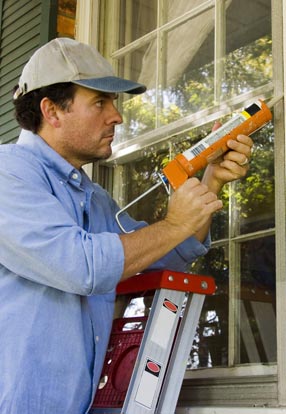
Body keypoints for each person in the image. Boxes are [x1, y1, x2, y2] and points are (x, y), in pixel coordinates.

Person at [0, 37, 253, 414]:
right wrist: (172, 224)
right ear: (51, 111)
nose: (116, 116)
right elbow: (80, 265)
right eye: (100, 102)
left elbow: (166, 258)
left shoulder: (95, 198)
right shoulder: (9, 173)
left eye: (113, 103)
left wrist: (209, 181)